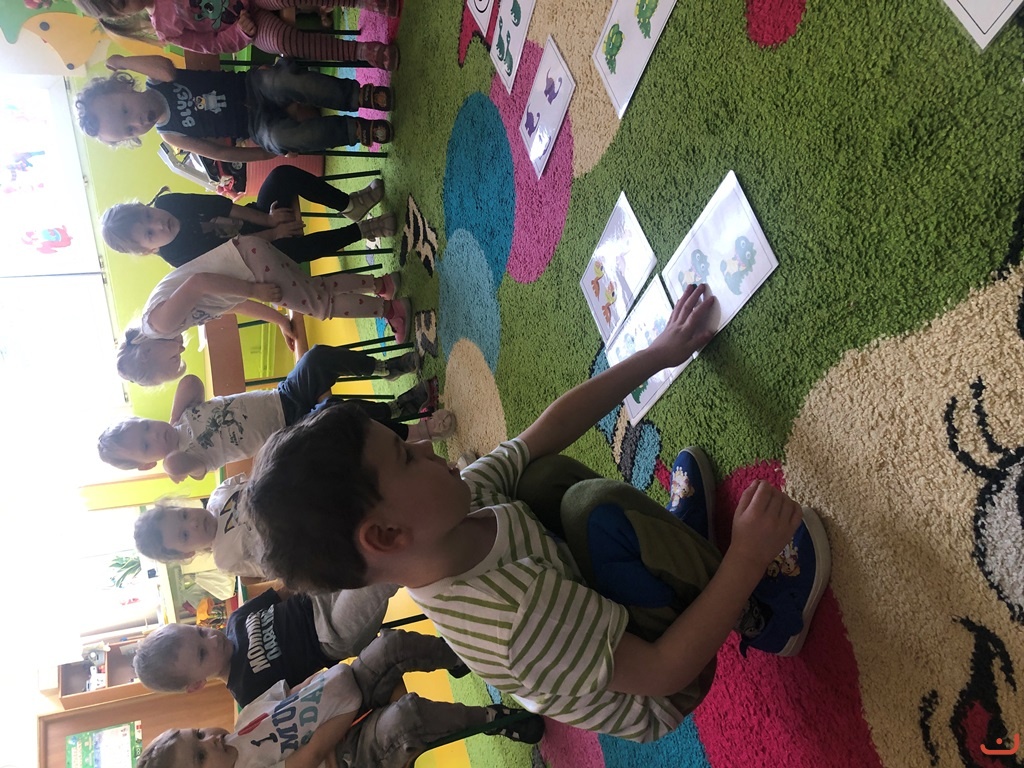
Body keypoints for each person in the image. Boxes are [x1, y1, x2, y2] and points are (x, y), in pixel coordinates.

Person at [242, 284, 833, 743]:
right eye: (404, 456)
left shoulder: (449, 513)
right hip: (661, 688)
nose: (425, 448)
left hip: (582, 606)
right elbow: (661, 673)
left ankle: (681, 554)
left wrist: (657, 354)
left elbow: (544, 432)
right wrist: (746, 557)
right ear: (390, 533)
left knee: (541, 478)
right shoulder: (512, 621)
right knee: (593, 509)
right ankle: (762, 615)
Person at [134, 631, 543, 768]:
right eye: (200, 756)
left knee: (389, 647)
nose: (210, 739)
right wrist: (345, 710)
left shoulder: (245, 721)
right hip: (348, 752)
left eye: (198, 733)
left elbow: (290, 694)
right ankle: (491, 718)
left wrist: (324, 679)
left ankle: (459, 655)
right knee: (407, 717)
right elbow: (313, 754)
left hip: (341, 699)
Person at [98, 347, 454, 480]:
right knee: (339, 414)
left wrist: (175, 420)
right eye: (145, 445)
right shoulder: (185, 459)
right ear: (147, 463)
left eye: (145, 427)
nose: (153, 435)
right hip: (291, 431)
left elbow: (190, 381)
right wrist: (165, 458)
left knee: (316, 359)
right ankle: (412, 421)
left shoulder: (183, 415)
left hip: (283, 396)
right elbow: (175, 467)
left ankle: (386, 368)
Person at [113, 235, 409, 387]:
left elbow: (199, 282)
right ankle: (382, 284)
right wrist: (278, 319)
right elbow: (232, 303)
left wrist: (254, 290)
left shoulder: (160, 325)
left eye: (173, 358)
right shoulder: (164, 320)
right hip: (249, 255)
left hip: (250, 266)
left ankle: (390, 310)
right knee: (315, 290)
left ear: (147, 354)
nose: (180, 350)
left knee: (320, 305)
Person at [75, 54, 392, 159]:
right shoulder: (170, 134)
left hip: (253, 85)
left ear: (123, 86)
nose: (137, 122)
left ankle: (357, 96)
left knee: (285, 81)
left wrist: (121, 61)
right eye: (130, 130)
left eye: (125, 111)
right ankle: (356, 130)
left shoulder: (158, 80)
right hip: (255, 127)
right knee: (284, 139)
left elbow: (167, 69)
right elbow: (221, 152)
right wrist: (269, 153)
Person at [102, 169, 394, 267]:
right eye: (150, 234)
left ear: (147, 205)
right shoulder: (176, 256)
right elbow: (234, 249)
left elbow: (221, 206)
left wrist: (269, 220)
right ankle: (364, 230)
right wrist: (274, 234)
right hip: (254, 254)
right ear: (150, 249)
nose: (158, 224)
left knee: (280, 176)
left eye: (148, 215)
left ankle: (350, 205)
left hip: (256, 218)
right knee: (292, 251)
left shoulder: (169, 203)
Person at [71, 0, 399, 69]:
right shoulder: (165, 28)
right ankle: (363, 52)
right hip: (247, 27)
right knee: (284, 43)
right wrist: (241, 32)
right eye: (121, 3)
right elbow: (211, 44)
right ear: (122, 15)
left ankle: (362, 1)